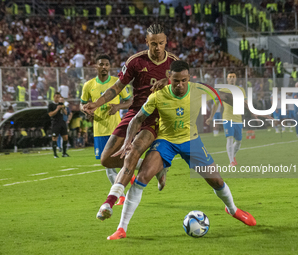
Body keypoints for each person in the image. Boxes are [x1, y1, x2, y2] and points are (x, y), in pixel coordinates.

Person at [104, 60, 256, 240]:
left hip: (191, 141)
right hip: (166, 142)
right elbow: (137, 119)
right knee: (142, 177)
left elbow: (224, 97)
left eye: (184, 80)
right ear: (169, 78)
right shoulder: (157, 96)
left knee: (216, 181)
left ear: (189, 78)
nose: (180, 84)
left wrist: (248, 110)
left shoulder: (199, 90)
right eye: (176, 80)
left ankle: (233, 210)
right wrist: (128, 141)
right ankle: (122, 228)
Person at [83, 24, 179, 217]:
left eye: (161, 43)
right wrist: (97, 103)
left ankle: (109, 203)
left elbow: (185, 86)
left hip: (155, 117)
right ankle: (157, 167)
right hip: (135, 113)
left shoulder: (174, 64)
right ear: (147, 42)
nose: (158, 47)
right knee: (106, 159)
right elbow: (118, 87)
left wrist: (168, 82)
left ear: (166, 42)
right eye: (153, 44)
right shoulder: (135, 62)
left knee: (132, 152)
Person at [80, 54, 133, 206]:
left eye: (106, 64)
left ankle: (128, 185)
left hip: (117, 130)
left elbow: (130, 101)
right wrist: (86, 111)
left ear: (110, 67)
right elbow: (82, 104)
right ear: (96, 66)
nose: (104, 67)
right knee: (108, 165)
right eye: (101, 64)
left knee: (121, 162)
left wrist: (117, 106)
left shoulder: (117, 83)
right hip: (99, 131)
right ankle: (122, 195)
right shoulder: (88, 85)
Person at [207, 71, 258, 166]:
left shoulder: (241, 90)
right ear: (227, 78)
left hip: (238, 118)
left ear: (236, 78)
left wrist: (253, 113)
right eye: (230, 76)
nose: (231, 78)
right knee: (229, 138)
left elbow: (246, 103)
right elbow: (216, 104)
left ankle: (232, 156)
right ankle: (231, 161)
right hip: (227, 117)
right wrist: (211, 117)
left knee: (238, 141)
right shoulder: (223, 90)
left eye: (233, 76)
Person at [48, 92, 70, 158]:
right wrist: (57, 109)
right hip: (55, 123)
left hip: (62, 122)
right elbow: (50, 114)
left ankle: (64, 153)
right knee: (54, 138)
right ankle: (55, 154)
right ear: (54, 97)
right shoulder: (51, 105)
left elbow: (66, 113)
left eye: (59, 97)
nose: (58, 98)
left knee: (65, 137)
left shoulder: (62, 104)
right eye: (56, 97)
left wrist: (62, 107)